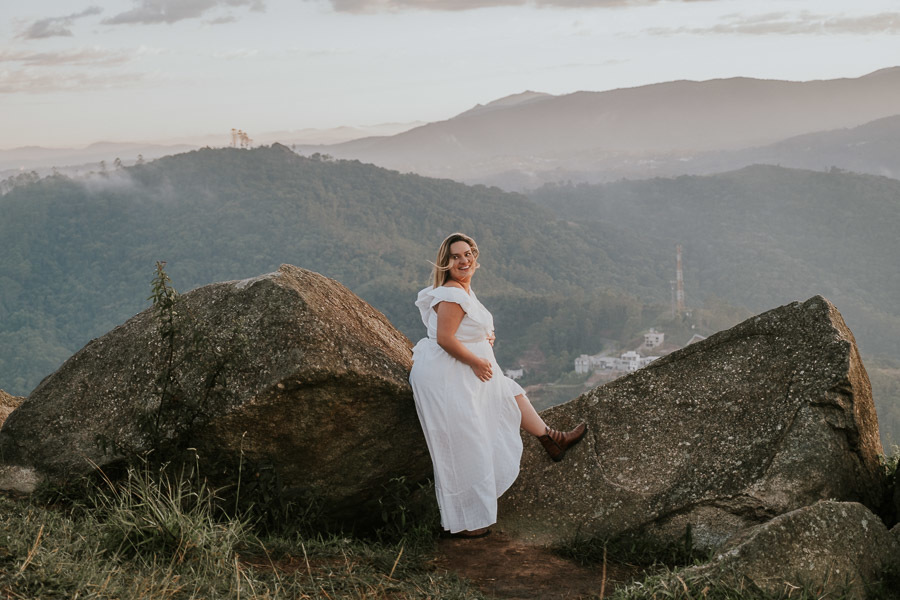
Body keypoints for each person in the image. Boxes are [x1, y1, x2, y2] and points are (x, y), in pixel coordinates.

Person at [409, 232, 587, 538]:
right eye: (455, 257)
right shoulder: (451, 293)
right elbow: (445, 338)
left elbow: (464, 329)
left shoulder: (465, 292)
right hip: (448, 375)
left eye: (468, 254)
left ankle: (551, 439)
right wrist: (477, 361)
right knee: (468, 444)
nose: (463, 260)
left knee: (509, 391)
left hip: (461, 369)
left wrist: (483, 339)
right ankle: (469, 522)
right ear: (446, 263)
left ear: (475, 258)